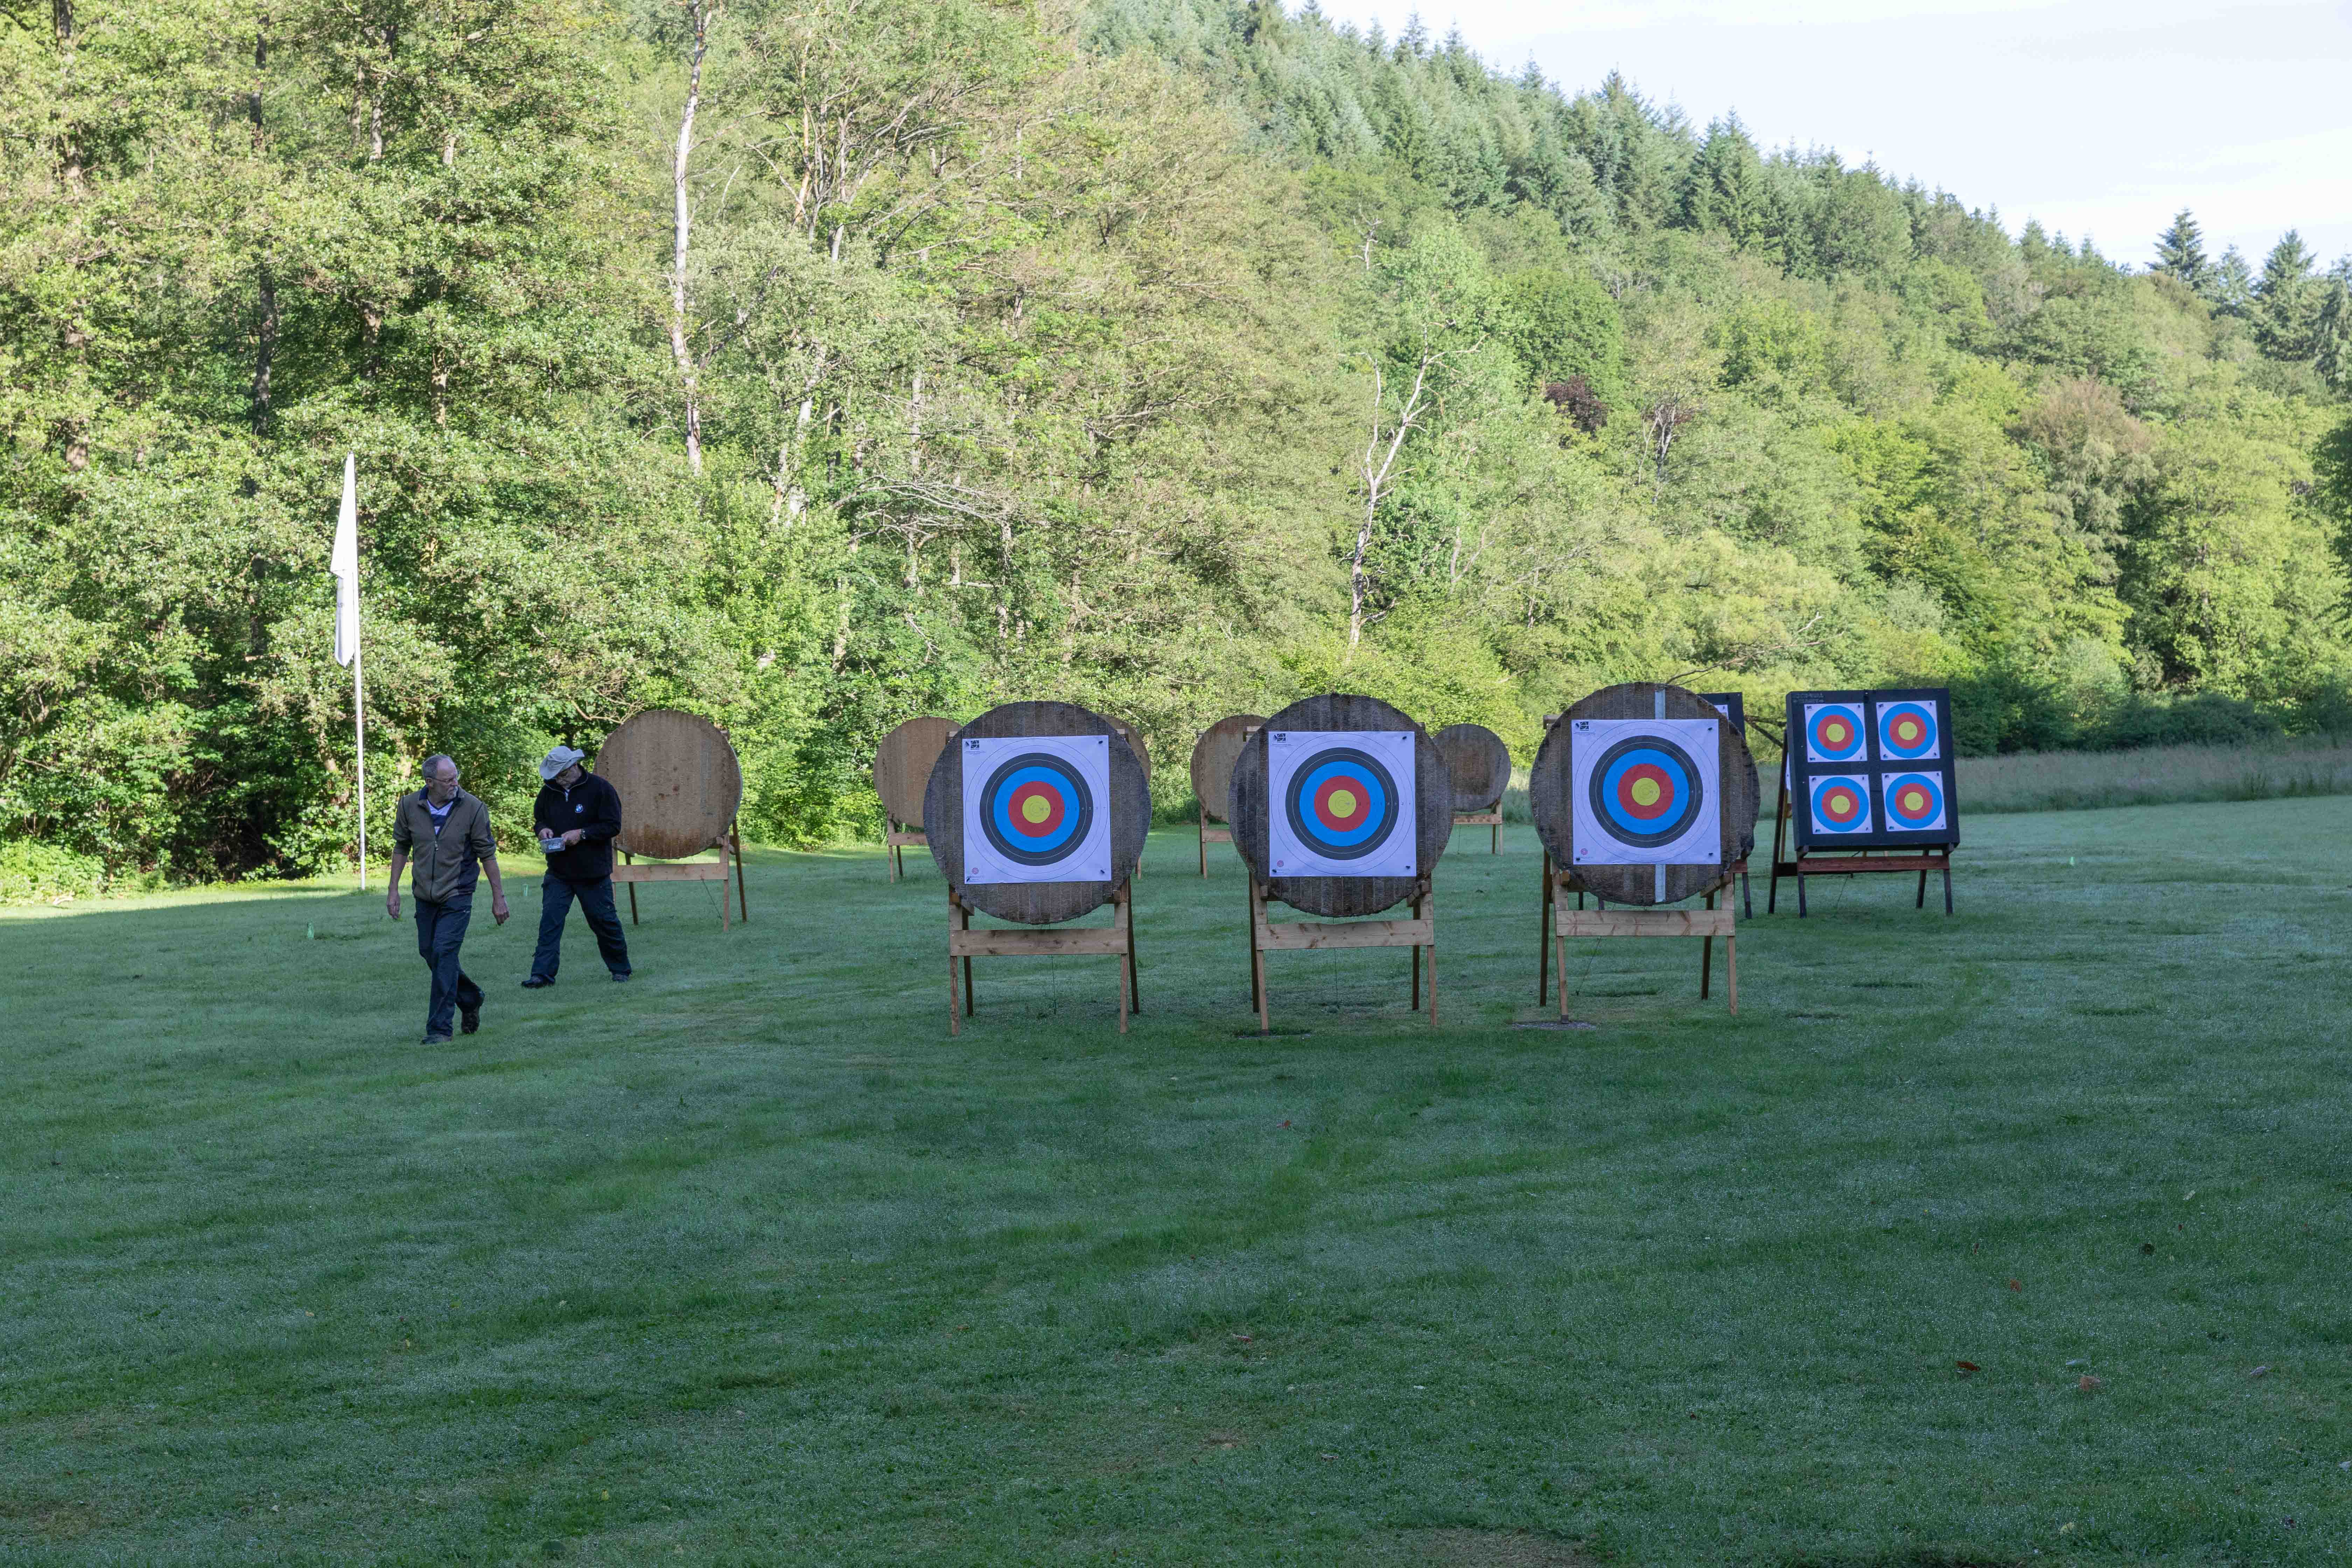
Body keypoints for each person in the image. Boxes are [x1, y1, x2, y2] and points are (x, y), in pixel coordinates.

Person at [385, 754, 509, 1044]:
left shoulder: (474, 808)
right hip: (424, 895)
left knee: (444, 953)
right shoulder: (409, 806)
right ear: (430, 783)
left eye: (456, 777)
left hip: (458, 893)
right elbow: (401, 847)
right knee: (429, 952)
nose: (455, 783)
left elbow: (488, 855)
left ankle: (440, 1029)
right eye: (448, 780)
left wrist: (499, 898)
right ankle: (470, 997)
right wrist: (393, 890)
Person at [522, 744, 631, 987]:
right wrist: (542, 830)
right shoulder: (548, 791)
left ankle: (620, 969)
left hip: (593, 873)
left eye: (562, 775)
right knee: (550, 923)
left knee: (604, 922)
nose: (558, 780)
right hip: (558, 871)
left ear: (574, 767)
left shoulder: (601, 789)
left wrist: (581, 834)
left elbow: (613, 826)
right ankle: (541, 975)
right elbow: (540, 819)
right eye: (555, 776)